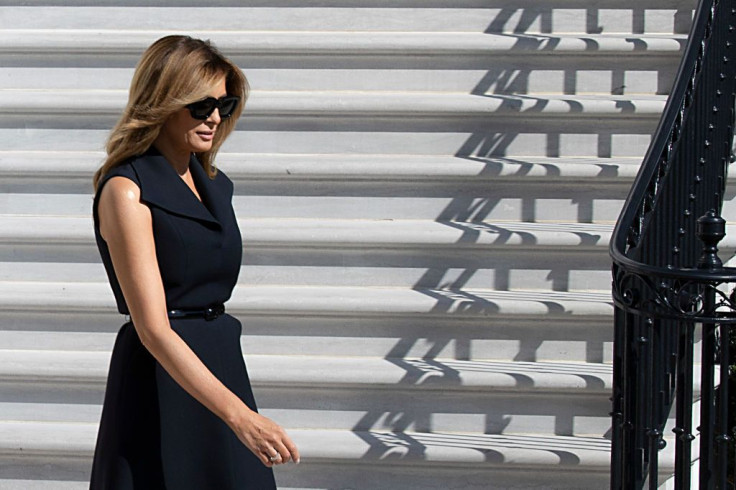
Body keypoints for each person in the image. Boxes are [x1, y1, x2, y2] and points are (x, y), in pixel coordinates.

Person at [89, 35, 299, 489]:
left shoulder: (215, 185)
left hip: (220, 363)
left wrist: (236, 408)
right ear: (164, 101)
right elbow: (153, 328)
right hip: (160, 379)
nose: (216, 119)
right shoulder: (127, 190)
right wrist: (240, 417)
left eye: (225, 104)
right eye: (202, 106)